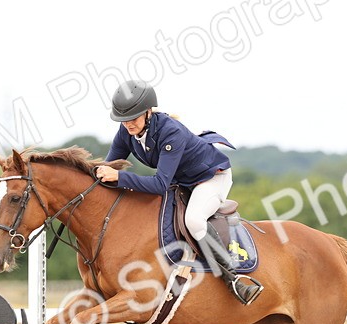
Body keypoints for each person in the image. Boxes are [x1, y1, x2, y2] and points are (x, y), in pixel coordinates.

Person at [94, 80, 263, 305]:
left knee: (193, 220)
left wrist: (121, 177)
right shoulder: (127, 131)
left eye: (132, 118)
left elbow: (159, 184)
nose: (128, 125)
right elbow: (111, 166)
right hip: (182, 180)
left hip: (211, 178)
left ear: (147, 112)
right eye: (123, 120)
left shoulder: (171, 132)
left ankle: (234, 278)